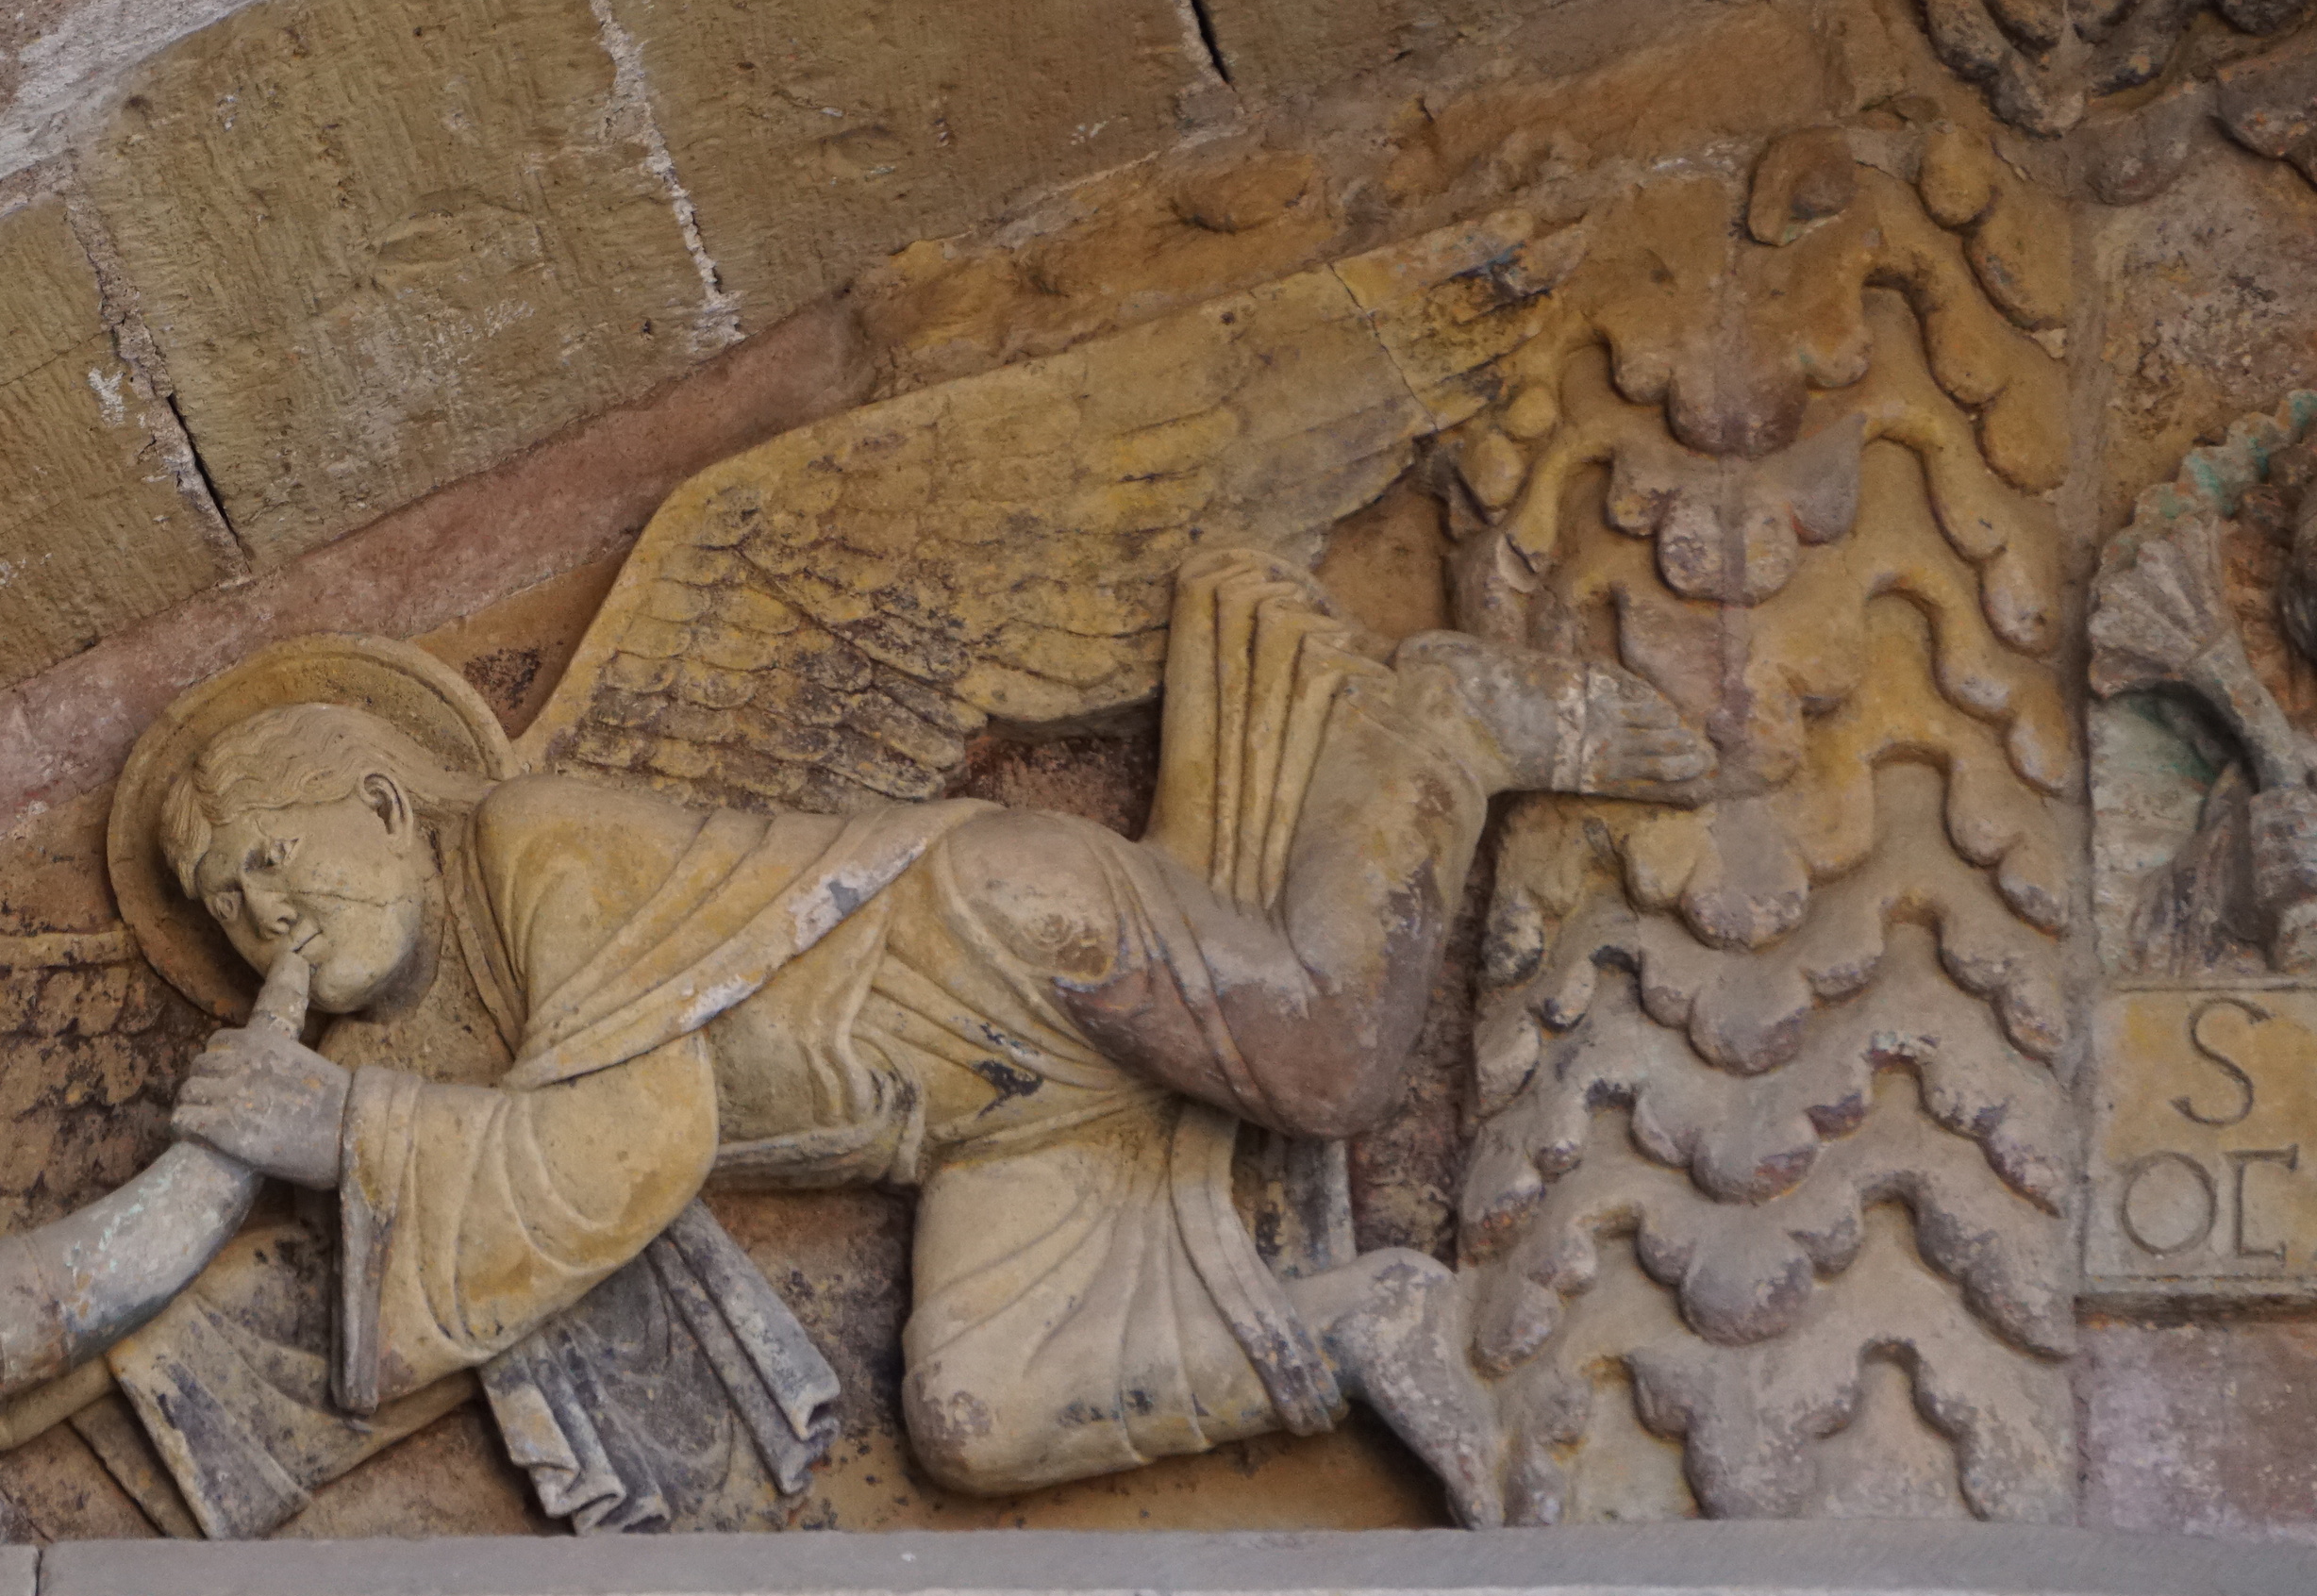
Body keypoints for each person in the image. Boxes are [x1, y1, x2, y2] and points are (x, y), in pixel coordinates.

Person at [151, 555, 1710, 1498]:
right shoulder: (399, 1049)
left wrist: (342, 1135)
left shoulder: (526, 847)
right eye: (224, 904)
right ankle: (1364, 1329)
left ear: (379, 803)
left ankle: (1429, 728)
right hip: (986, 1121)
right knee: (975, 1417)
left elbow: (638, 1137)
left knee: (1329, 1061)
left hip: (992, 939)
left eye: (270, 862)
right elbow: (423, 1265)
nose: (257, 919)